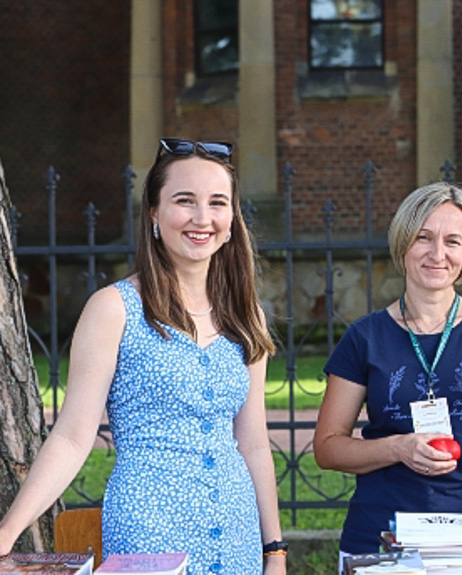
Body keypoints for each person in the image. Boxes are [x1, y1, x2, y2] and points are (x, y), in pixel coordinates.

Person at [0, 139, 286, 574]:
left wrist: (275, 550)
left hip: (237, 534)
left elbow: (253, 443)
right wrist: (5, 534)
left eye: (217, 203)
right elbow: (73, 437)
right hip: (149, 532)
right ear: (153, 212)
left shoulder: (247, 316)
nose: (202, 218)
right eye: (184, 201)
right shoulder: (114, 309)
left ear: (232, 219)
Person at [313, 182, 462, 565]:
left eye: (453, 241)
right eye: (424, 238)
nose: (438, 254)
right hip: (382, 536)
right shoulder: (365, 338)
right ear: (403, 244)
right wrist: (399, 448)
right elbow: (327, 448)